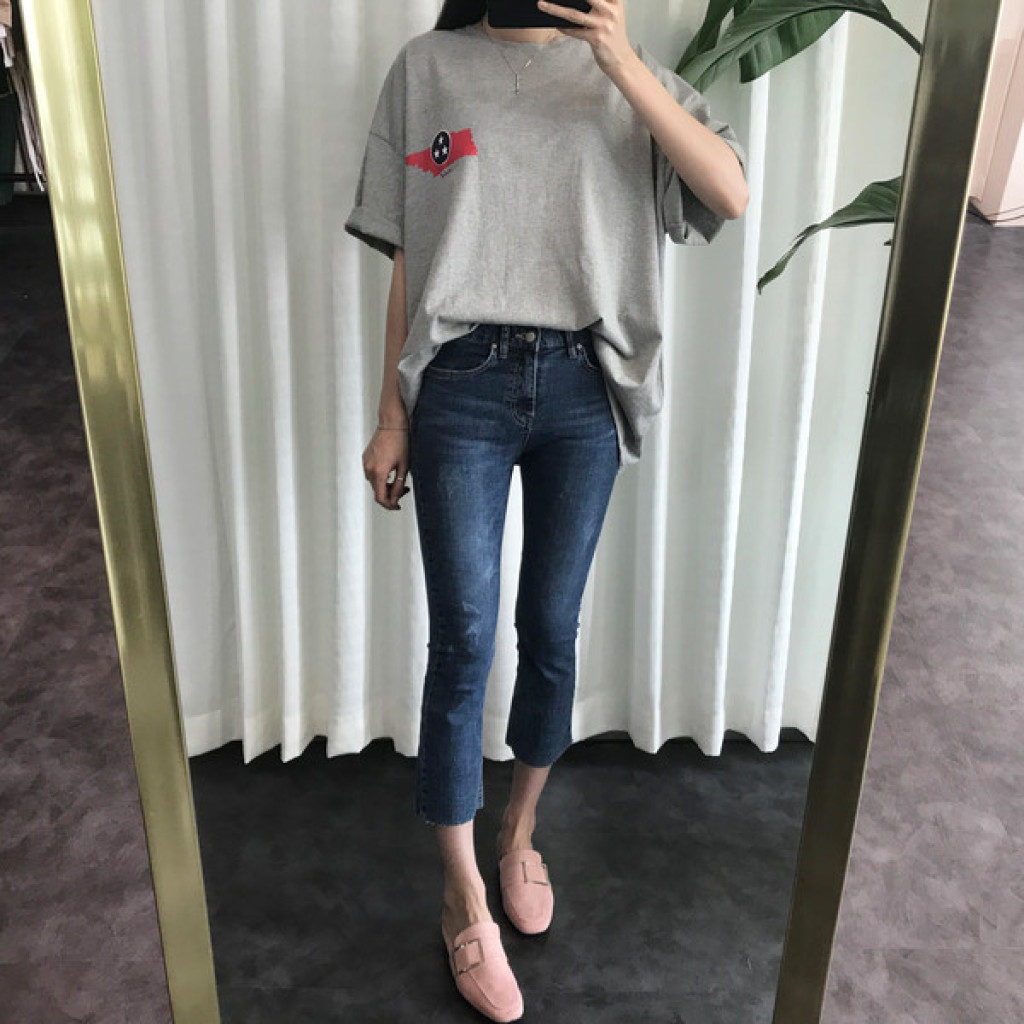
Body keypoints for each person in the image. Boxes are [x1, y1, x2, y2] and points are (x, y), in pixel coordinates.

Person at [345, 1, 748, 1019]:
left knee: (552, 631)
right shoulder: (428, 69)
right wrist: (390, 413)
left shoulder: (626, 74)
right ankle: (462, 894)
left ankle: (518, 830)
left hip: (583, 387)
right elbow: (410, 256)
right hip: (461, 384)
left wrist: (621, 63)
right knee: (463, 640)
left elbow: (730, 193)